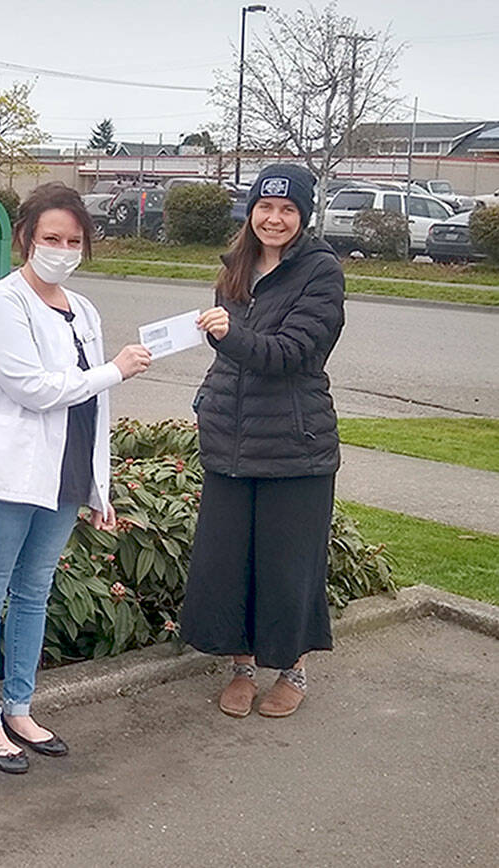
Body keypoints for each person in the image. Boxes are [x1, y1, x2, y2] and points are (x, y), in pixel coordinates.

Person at [0, 182, 152, 773]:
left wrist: (99, 487)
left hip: (64, 473)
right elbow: (32, 388)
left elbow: (95, 409)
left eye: (73, 240)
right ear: (26, 239)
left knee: (34, 593)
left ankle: (20, 707)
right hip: (7, 474)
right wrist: (114, 371)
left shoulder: (83, 310)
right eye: (50, 238)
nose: (62, 248)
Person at [180, 163, 345, 719]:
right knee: (230, 564)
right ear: (250, 211)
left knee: (288, 567)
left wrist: (231, 335)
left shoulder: (320, 272)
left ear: (303, 216)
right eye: (265, 207)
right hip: (231, 439)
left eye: (288, 209)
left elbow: (289, 354)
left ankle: (293, 671)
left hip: (296, 446)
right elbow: (232, 355)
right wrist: (207, 402)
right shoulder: (236, 269)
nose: (274, 219)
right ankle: (242, 666)